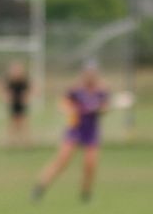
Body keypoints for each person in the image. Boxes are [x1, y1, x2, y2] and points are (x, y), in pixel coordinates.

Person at [30, 59, 109, 203]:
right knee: (62, 161)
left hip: (91, 131)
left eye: (93, 73)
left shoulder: (101, 90)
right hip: (75, 129)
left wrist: (97, 109)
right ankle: (39, 189)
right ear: (83, 73)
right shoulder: (76, 89)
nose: (90, 75)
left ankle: (86, 195)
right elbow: (63, 103)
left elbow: (105, 107)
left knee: (90, 164)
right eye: (88, 72)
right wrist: (71, 109)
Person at [4, 60, 31, 146]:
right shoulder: (9, 80)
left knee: (23, 122)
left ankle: (25, 141)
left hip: (22, 103)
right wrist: (8, 97)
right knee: (13, 122)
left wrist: (26, 97)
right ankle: (12, 141)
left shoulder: (24, 79)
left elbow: (30, 89)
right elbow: (5, 89)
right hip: (13, 103)